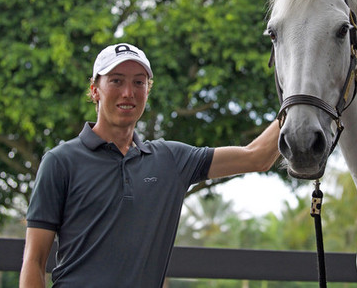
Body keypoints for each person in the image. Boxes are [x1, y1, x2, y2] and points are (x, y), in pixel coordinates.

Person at [19, 43, 281, 288]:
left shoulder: (171, 160)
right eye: (116, 80)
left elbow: (256, 157)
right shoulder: (60, 161)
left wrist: (301, 102)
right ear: (94, 89)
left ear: (148, 89)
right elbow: (34, 261)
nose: (128, 92)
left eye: (138, 82)